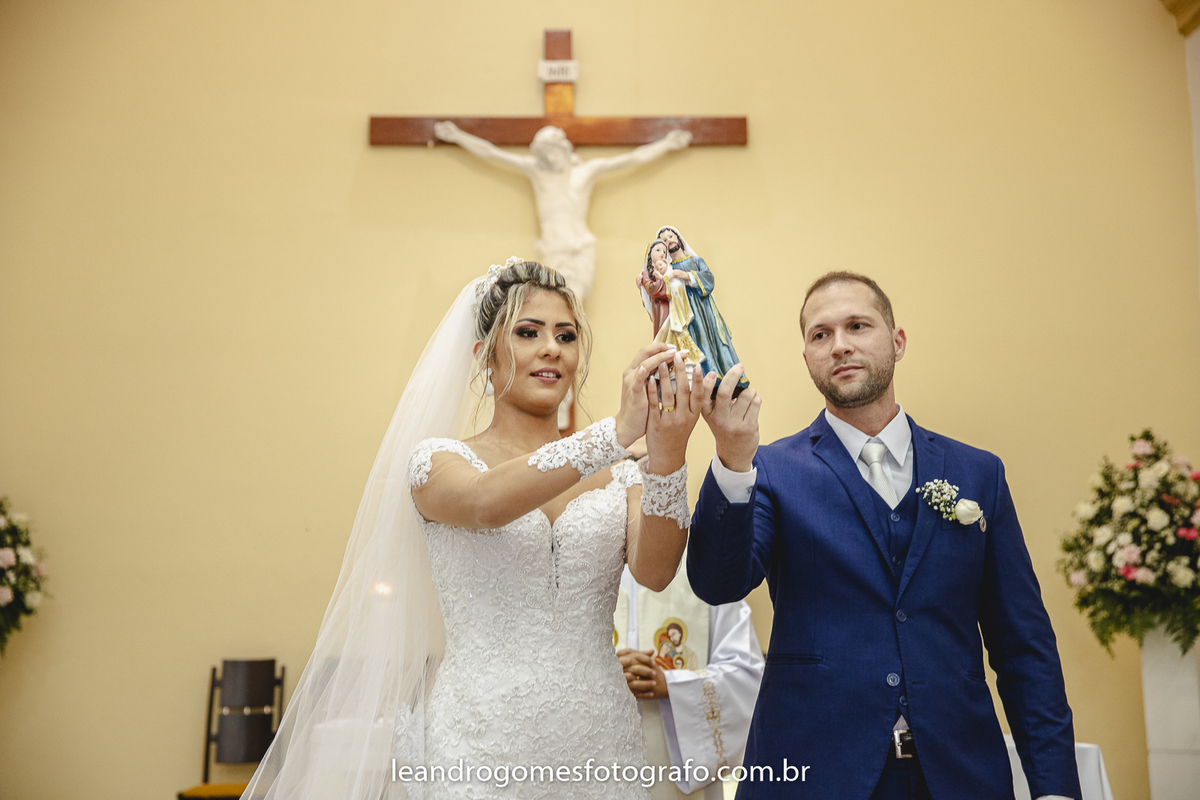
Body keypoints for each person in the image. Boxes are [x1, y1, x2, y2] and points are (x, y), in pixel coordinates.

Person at [240, 259, 705, 800]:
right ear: (485, 354)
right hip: (482, 746)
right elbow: (486, 504)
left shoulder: (621, 472)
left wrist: (668, 455)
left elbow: (655, 571)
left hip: (601, 742)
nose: (551, 349)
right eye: (528, 332)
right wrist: (616, 432)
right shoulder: (439, 462)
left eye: (566, 336)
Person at [686, 272, 1081, 799]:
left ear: (897, 342)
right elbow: (718, 583)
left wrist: (1054, 789)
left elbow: (1023, 646)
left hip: (959, 775)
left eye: (857, 326)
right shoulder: (771, 470)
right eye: (820, 334)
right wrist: (733, 461)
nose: (839, 345)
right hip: (814, 775)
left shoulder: (978, 473)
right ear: (806, 358)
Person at [434, 122, 691, 298]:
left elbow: (632, 159)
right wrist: (457, 136)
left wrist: (667, 143)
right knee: (555, 301)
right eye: (544, 154)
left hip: (580, 246)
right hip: (553, 247)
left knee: (574, 302)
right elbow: (492, 153)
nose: (549, 159)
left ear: (562, 148)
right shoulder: (536, 171)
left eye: (552, 152)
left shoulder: (586, 172)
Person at [615, 564, 764, 800]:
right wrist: (605, 674)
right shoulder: (586, 569)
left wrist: (671, 684)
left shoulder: (706, 570)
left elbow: (746, 677)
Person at [655, 227, 747, 392]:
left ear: (678, 237)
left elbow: (709, 279)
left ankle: (723, 376)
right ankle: (702, 380)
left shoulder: (696, 260)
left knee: (711, 338)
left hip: (704, 309)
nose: (669, 240)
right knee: (694, 342)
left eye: (671, 236)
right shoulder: (667, 269)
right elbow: (659, 287)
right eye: (665, 240)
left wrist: (683, 275)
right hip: (684, 313)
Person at [637, 240, 702, 370]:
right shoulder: (646, 274)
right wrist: (668, 279)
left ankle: (683, 362)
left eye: (664, 251)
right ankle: (667, 365)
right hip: (662, 311)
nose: (662, 253)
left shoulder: (667, 270)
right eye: (658, 250)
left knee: (678, 335)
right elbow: (654, 289)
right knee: (664, 338)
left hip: (675, 308)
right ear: (650, 254)